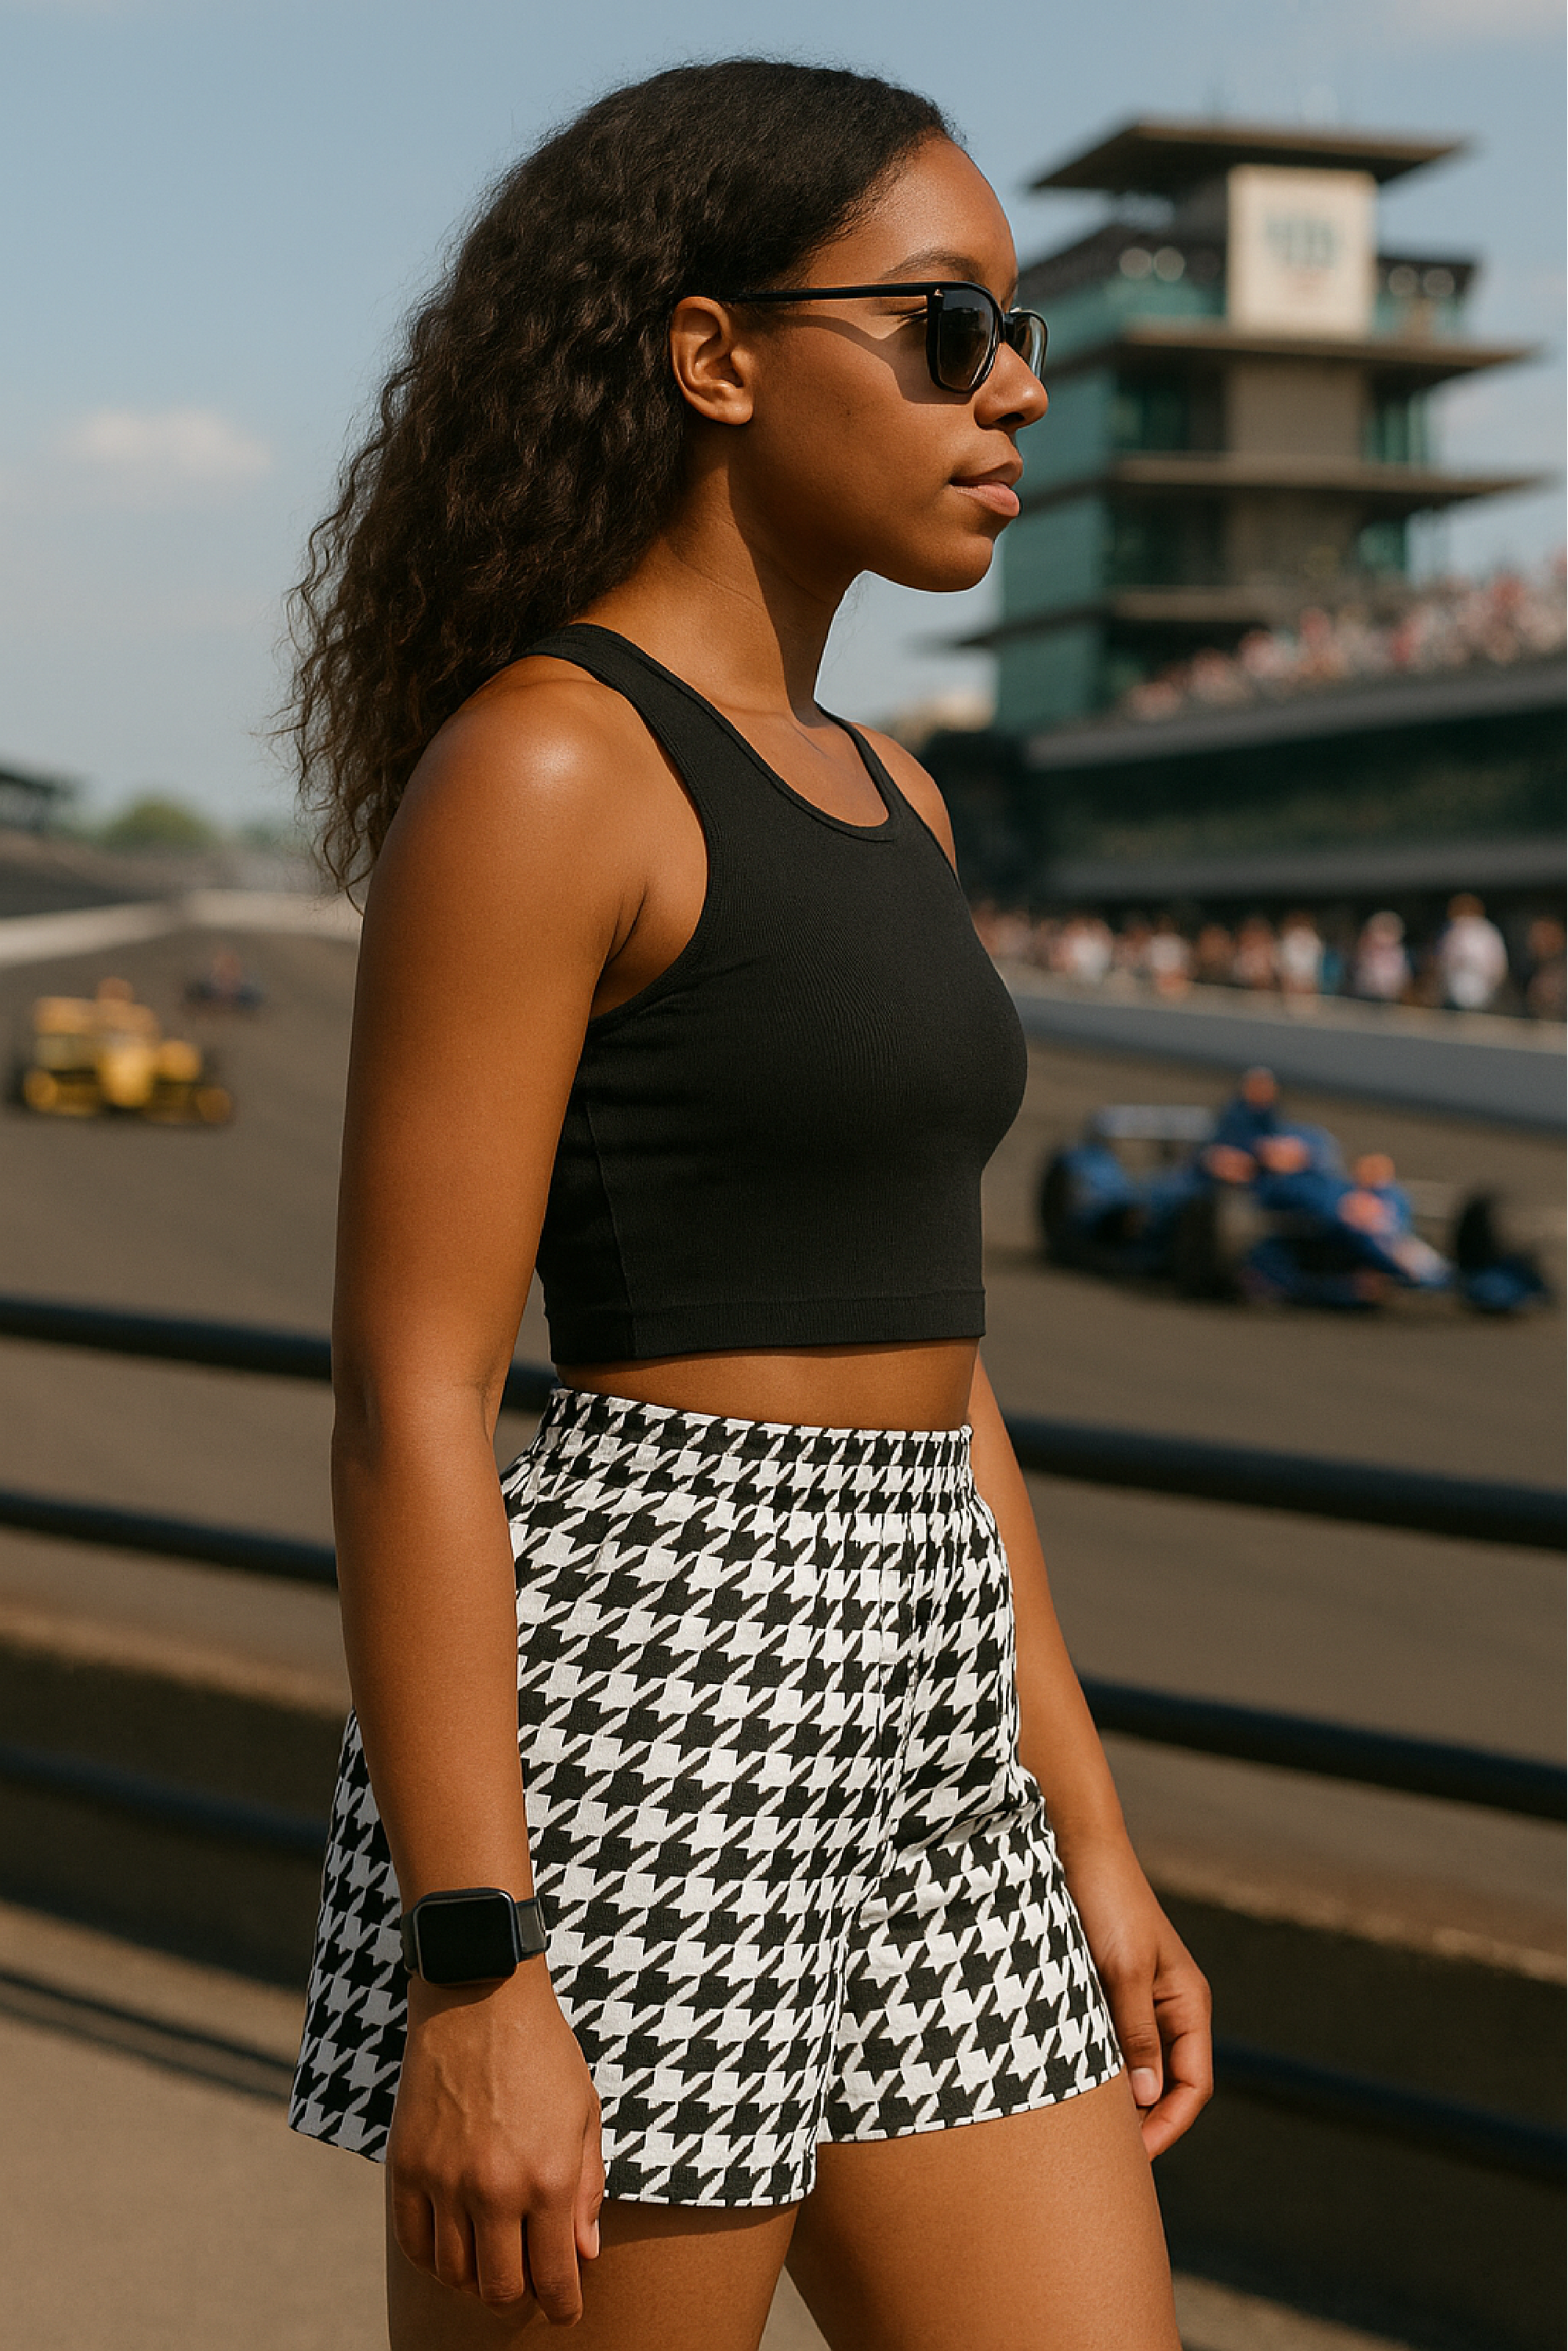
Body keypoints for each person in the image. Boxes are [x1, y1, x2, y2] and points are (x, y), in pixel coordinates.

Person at [281, 61, 1207, 2351]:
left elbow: (943, 1366)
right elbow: (410, 1397)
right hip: (652, 1680)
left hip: (930, 1677)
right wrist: (474, 1962)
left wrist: (1078, 1821)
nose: (1020, 382)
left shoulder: (894, 791)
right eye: (947, 324)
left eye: (1013, 330)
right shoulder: (550, 765)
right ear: (714, 356)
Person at [1436, 893, 1508, 1012]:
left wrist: (1493, 988)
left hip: (1483, 997)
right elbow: (1443, 964)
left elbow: (1498, 965)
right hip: (1453, 998)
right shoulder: (1450, 933)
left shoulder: (1486, 932)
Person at [1352, 910, 1410, 1003]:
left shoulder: (1397, 952)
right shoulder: (1367, 950)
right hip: (1367, 995)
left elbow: (1402, 976)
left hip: (1389, 996)